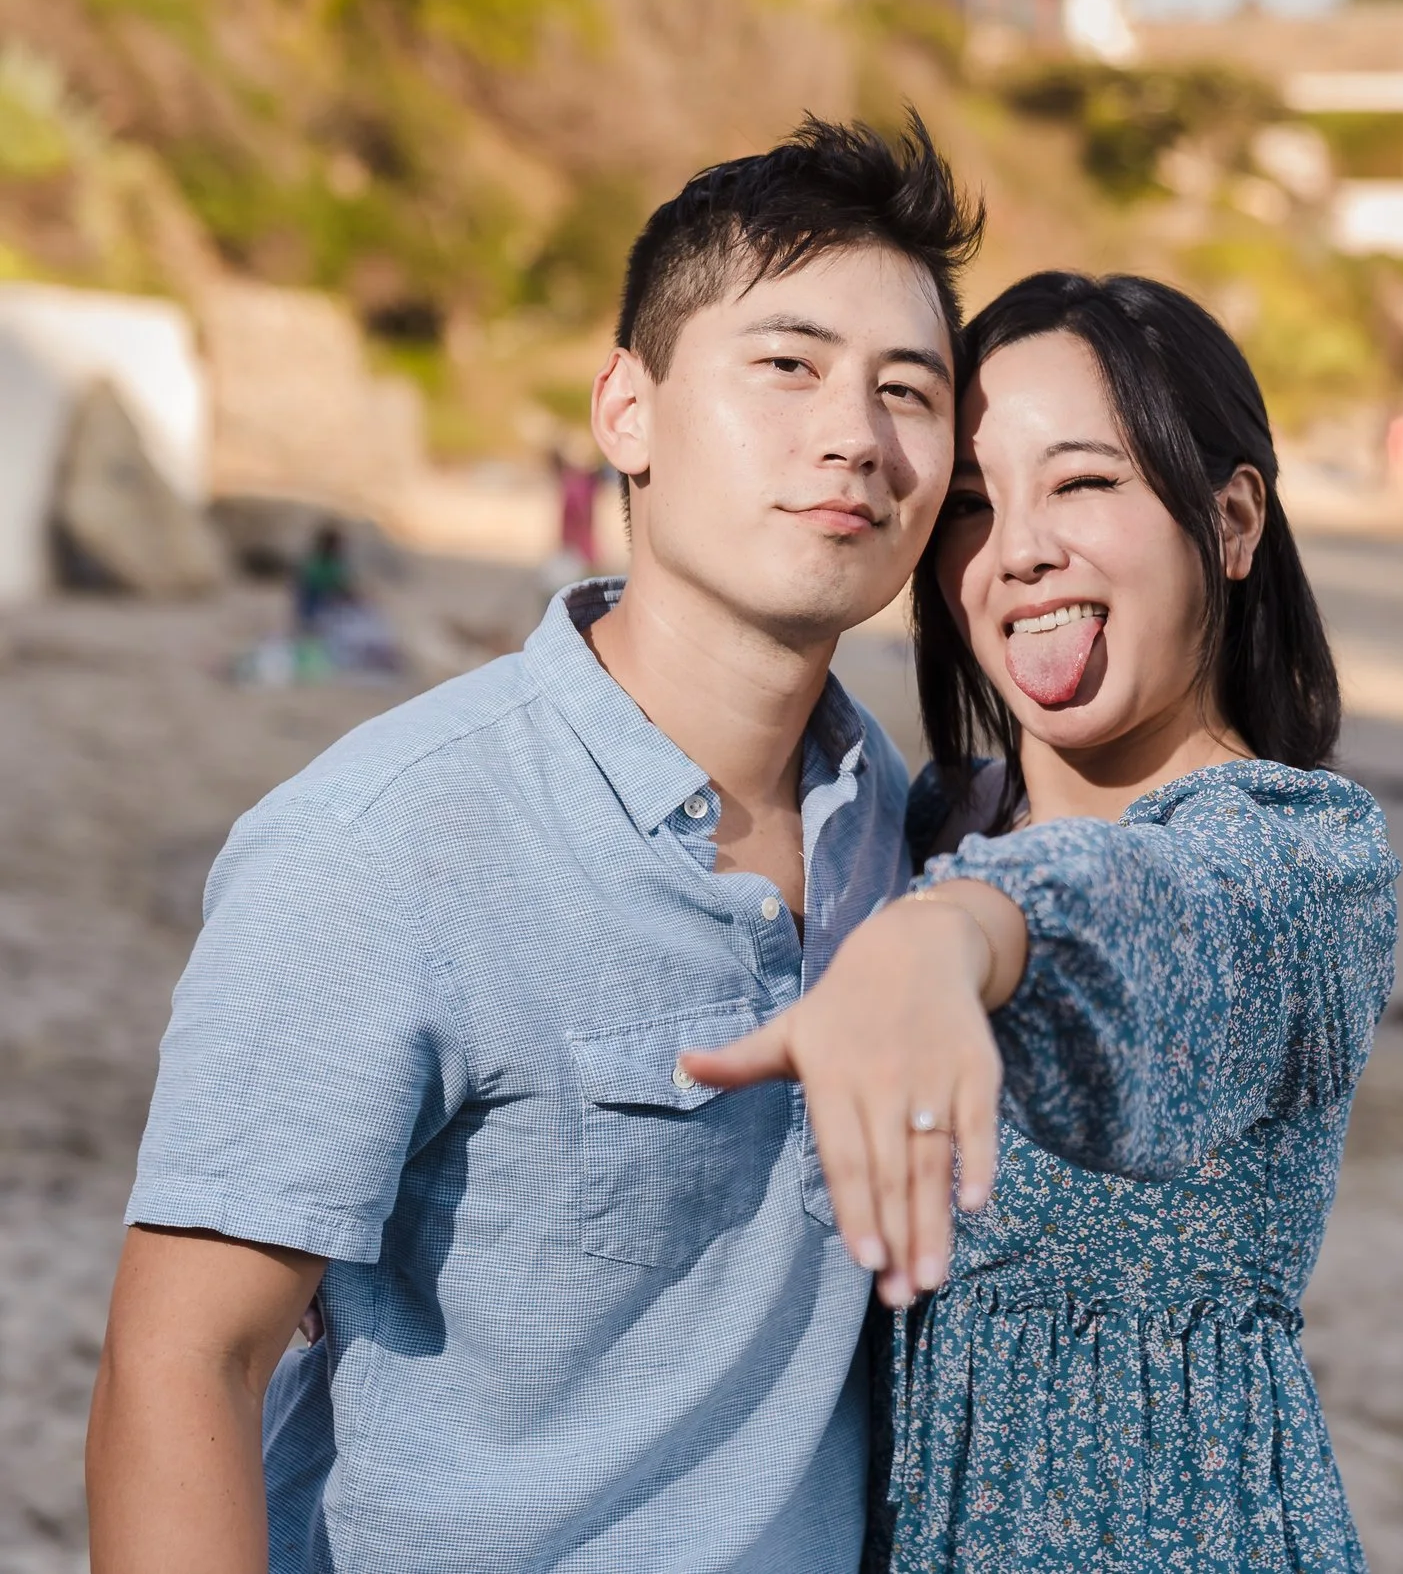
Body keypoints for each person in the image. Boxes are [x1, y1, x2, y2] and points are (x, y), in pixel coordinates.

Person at [85, 113, 984, 1574]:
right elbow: (183, 1362)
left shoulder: (893, 821)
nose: (855, 437)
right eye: (788, 365)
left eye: (908, 391)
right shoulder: (383, 843)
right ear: (627, 411)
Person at [685, 272, 1400, 1570]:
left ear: (1233, 519)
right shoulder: (922, 816)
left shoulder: (1302, 859)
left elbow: (1154, 923)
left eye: (1081, 482)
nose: (1019, 548)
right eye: (971, 503)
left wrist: (959, 929)